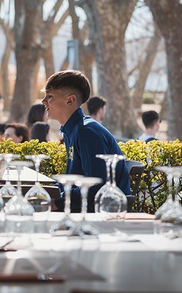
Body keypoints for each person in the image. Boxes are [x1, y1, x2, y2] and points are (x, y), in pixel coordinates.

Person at [41, 70, 130, 213]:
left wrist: (56, 203)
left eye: (49, 96)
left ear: (70, 100)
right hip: (81, 208)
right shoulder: (72, 130)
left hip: (101, 213)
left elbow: (95, 187)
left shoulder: (87, 132)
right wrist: (47, 194)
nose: (43, 101)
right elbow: (72, 179)